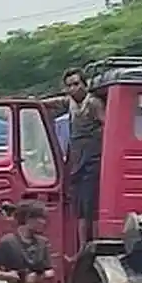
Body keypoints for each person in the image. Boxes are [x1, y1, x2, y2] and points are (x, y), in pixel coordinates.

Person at [42, 67, 106, 246]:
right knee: (79, 207)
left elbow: (107, 125)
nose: (73, 89)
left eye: (76, 84)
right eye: (69, 85)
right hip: (77, 159)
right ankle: (82, 246)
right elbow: (53, 102)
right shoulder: (69, 102)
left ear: (85, 85)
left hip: (93, 158)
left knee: (91, 205)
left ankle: (94, 244)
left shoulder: (93, 104)